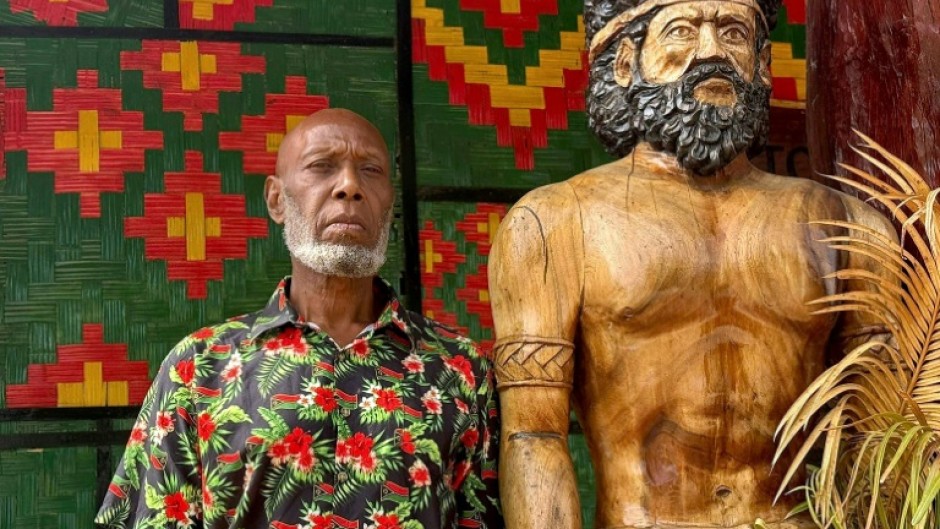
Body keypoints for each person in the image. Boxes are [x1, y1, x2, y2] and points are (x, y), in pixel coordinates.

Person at [488, 1, 894, 528]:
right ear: (625, 64)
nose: (712, 52)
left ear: (763, 62)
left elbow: (884, 436)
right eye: (682, 30)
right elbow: (534, 437)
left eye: (732, 31)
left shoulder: (852, 229)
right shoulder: (553, 224)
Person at [96, 109, 501, 529]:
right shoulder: (198, 369)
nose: (349, 186)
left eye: (371, 170)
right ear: (276, 200)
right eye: (322, 167)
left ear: (389, 204)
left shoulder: (461, 371)